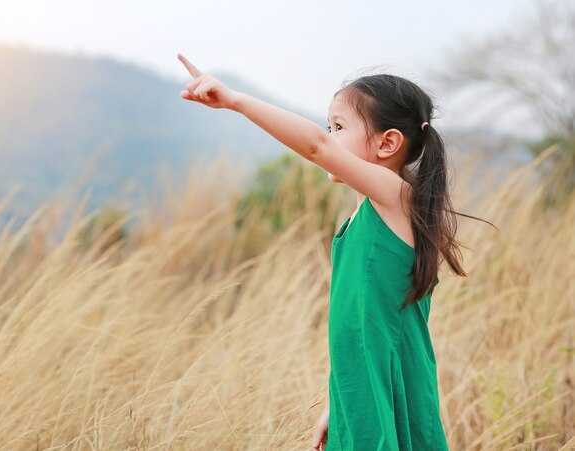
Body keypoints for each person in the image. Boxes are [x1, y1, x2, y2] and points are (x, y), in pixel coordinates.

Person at [177, 53, 477, 450]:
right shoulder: (361, 217)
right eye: (328, 126)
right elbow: (357, 327)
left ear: (388, 142)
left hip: (389, 387)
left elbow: (318, 148)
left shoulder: (399, 200)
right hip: (359, 388)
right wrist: (333, 404)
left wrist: (236, 101)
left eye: (339, 127)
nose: (329, 135)